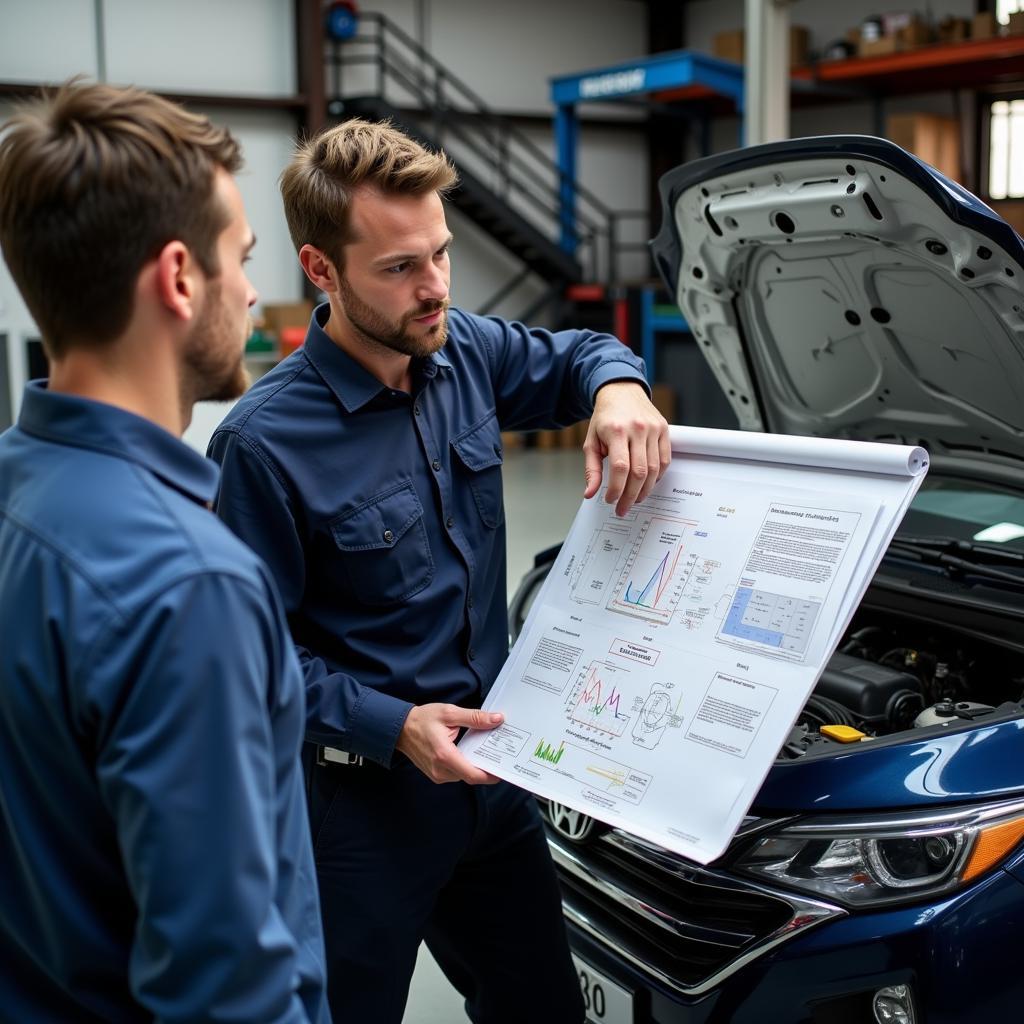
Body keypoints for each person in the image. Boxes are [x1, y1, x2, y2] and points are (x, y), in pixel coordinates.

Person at [208, 117, 670, 1023]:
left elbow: (583, 354)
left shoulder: (463, 354)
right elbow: (247, 665)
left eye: (442, 255)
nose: (434, 289)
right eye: (400, 268)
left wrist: (620, 390)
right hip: (360, 810)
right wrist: (395, 724)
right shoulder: (260, 448)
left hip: (496, 787)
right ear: (321, 270)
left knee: (540, 1008)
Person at [0, 82, 329, 1024]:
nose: (253, 294)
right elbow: (225, 989)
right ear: (181, 278)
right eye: (243, 260)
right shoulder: (189, 585)